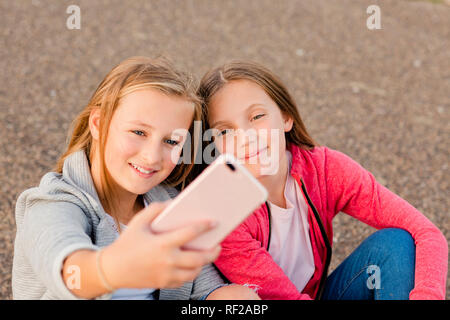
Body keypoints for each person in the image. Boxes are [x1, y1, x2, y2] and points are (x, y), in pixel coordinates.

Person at [12, 56, 259, 300]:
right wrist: (114, 269)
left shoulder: (166, 200)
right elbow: (70, 272)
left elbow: (205, 289)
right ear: (98, 123)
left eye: (171, 141)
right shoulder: (51, 204)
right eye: (138, 132)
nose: (152, 157)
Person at [196, 60, 448, 300]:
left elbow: (426, 232)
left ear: (285, 117)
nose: (246, 137)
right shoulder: (224, 213)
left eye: (257, 116)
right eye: (225, 131)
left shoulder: (324, 169)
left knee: (395, 244)